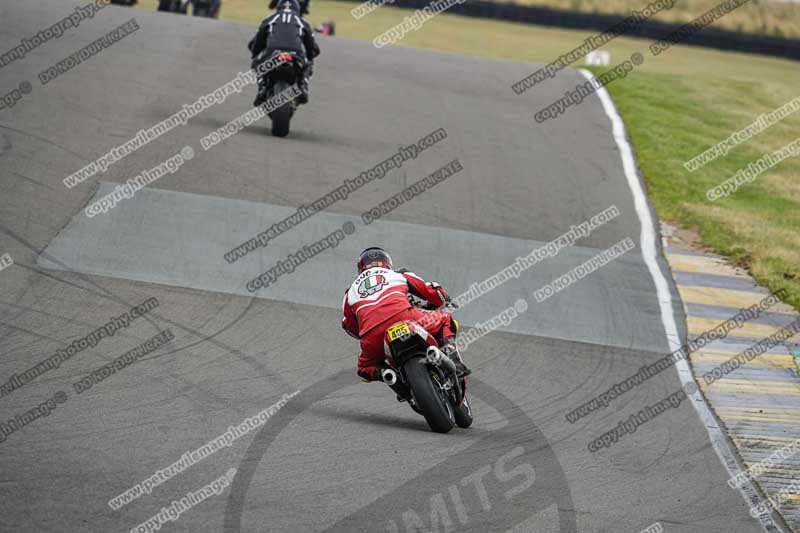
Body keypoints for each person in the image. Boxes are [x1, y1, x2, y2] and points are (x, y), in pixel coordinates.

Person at [342, 247, 471, 387]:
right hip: (404, 315)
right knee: (445, 319)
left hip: (372, 335)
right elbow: (432, 291)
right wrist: (442, 299)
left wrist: (368, 332)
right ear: (387, 263)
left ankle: (391, 376)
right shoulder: (398, 274)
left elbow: (349, 326)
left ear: (360, 267)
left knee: (364, 368)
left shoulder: (350, 292)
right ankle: (456, 365)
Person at [248, 0, 319, 106]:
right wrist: (310, 58)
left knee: (257, 63)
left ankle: (262, 87)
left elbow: (258, 39)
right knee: (307, 65)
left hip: (273, 52)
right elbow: (311, 44)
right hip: (296, 53)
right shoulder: (302, 21)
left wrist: (255, 55)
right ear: (298, 9)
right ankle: (303, 86)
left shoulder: (269, 19)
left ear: (278, 7)